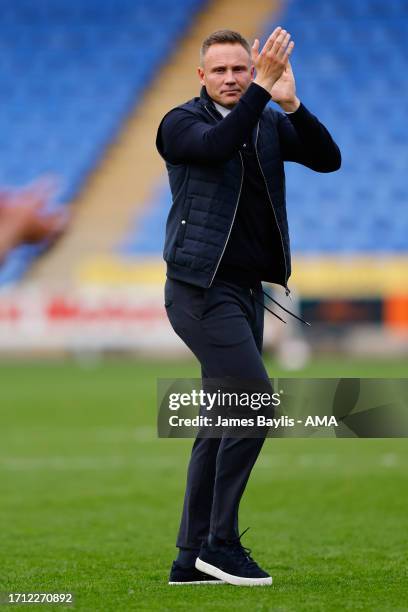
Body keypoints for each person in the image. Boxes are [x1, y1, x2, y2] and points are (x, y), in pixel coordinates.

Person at [156, 27, 341, 586]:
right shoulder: (180, 123)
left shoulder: (264, 116)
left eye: (242, 69)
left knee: (222, 419)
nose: (234, 79)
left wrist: (292, 104)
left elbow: (327, 159)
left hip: (243, 291)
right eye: (223, 71)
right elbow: (218, 146)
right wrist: (263, 89)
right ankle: (221, 542)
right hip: (198, 290)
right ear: (202, 77)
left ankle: (190, 559)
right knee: (255, 403)